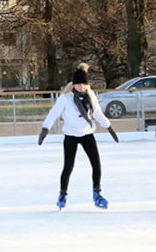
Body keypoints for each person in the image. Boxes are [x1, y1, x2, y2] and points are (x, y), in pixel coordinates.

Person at [38, 63, 119, 210]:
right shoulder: (66, 98)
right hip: (70, 135)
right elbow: (54, 113)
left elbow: (97, 113)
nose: (81, 87)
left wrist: (109, 127)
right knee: (68, 166)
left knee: (96, 165)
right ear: (73, 84)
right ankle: (63, 193)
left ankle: (97, 193)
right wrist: (45, 129)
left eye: (84, 84)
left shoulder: (91, 96)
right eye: (78, 84)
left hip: (87, 134)